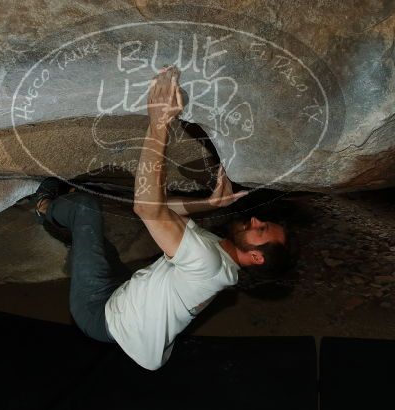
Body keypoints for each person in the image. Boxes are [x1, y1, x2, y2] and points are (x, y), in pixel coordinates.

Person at [33, 65, 295, 370]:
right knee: (98, 245)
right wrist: (210, 203)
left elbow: (146, 207)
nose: (254, 221)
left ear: (256, 258)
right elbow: (165, 209)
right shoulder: (222, 259)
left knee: (84, 209)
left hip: (98, 312)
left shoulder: (207, 262)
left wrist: (159, 123)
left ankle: (42, 208)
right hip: (124, 292)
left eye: (261, 229)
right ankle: (72, 238)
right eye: (260, 222)